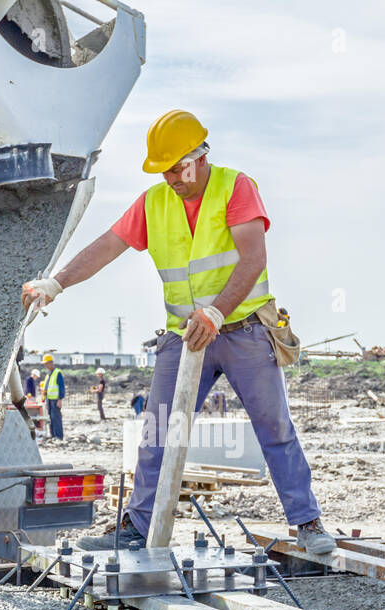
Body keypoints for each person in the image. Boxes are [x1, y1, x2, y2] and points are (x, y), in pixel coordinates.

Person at [21, 109, 334, 554]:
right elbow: (107, 246)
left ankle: (308, 523)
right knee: (158, 431)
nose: (171, 177)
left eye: (176, 167)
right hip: (185, 338)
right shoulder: (155, 202)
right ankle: (137, 528)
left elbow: (253, 259)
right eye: (164, 169)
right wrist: (57, 281)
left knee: (273, 425)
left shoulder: (235, 186)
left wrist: (218, 313)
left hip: (243, 330)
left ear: (200, 156)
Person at [42, 354, 65, 440]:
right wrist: (44, 397)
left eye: (46, 363)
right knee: (51, 418)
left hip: (55, 400)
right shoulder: (48, 374)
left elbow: (61, 387)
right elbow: (46, 387)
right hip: (49, 399)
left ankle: (59, 436)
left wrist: (60, 399)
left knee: (56, 418)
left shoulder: (57, 373)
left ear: (51, 363)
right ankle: (53, 435)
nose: (45, 365)